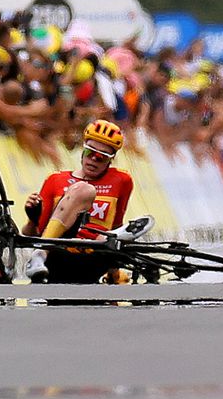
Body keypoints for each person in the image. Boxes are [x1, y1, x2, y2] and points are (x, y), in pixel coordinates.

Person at [22, 119, 151, 283]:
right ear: (83, 150)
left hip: (96, 255)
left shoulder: (122, 180)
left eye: (102, 157)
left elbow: (116, 227)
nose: (94, 160)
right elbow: (31, 235)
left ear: (111, 160)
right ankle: (40, 255)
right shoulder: (55, 180)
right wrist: (32, 219)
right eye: (91, 152)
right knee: (84, 189)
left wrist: (114, 273)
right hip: (59, 254)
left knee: (105, 232)